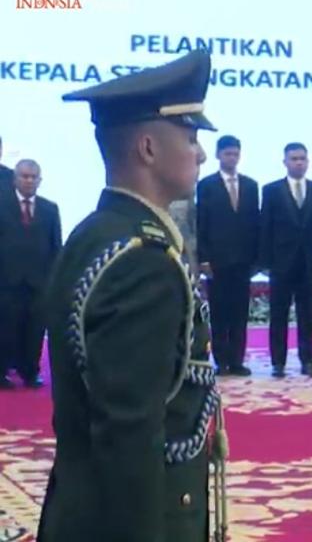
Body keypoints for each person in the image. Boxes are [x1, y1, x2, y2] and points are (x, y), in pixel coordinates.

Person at [39, 50, 226, 542]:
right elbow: (129, 435)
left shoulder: (98, 232)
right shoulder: (143, 262)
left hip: (84, 509)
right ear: (148, 148)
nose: (201, 154)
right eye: (190, 137)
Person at [259, 143, 312, 378]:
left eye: (302, 158)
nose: (299, 163)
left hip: (309, 262)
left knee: (308, 314)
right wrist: (264, 261)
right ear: (285, 162)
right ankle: (278, 362)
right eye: (294, 159)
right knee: (278, 314)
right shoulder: (272, 190)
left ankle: (309, 361)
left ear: (308, 162)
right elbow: (265, 227)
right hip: (280, 262)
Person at [197, 134, 259, 376]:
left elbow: (255, 223)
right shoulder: (207, 185)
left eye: (235, 154)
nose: (232, 158)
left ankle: (237, 360)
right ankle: (221, 361)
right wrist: (203, 258)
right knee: (220, 312)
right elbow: (202, 223)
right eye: (227, 154)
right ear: (218, 155)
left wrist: (257, 258)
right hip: (217, 260)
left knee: (240, 312)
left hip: (243, 260)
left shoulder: (251, 185)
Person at [0, 159, 62, 389]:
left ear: (39, 180)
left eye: (33, 177)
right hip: (7, 281)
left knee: (35, 329)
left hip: (39, 283)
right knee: (5, 328)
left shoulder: (49, 209)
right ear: (15, 179)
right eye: (24, 176)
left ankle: (29, 372)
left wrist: (54, 281)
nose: (29, 180)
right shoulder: (1, 204)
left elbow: (56, 247)